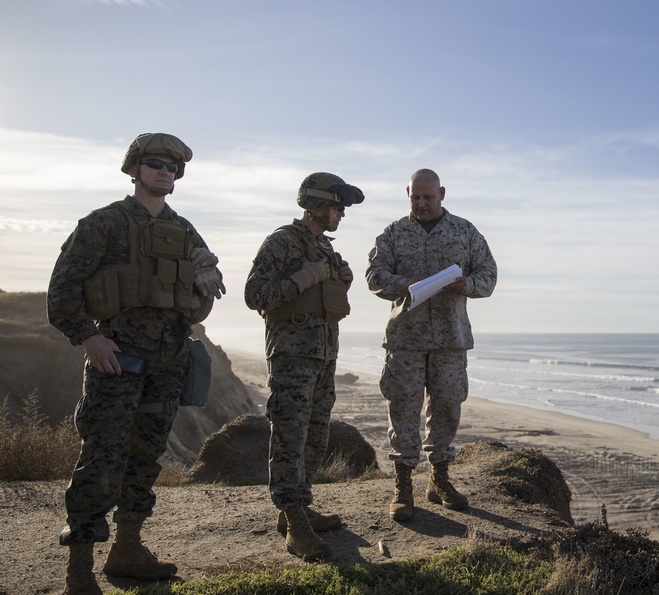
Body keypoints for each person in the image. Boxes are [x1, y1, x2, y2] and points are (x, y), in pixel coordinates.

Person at [47, 133, 225, 595]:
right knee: (101, 459)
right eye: (155, 163)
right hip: (117, 361)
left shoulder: (184, 231)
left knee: (145, 458)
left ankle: (127, 549)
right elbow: (62, 291)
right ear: (134, 168)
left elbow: (205, 283)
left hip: (167, 363)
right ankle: (80, 569)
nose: (165, 171)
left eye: (172, 166)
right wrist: (89, 338)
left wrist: (208, 276)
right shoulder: (103, 224)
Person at [244, 172, 364, 562]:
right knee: (290, 437)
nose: (341, 213)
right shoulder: (282, 242)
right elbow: (255, 294)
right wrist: (304, 276)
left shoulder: (323, 248)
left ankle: (299, 507)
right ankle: (295, 524)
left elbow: (336, 290)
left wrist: (335, 274)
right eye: (336, 206)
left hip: (323, 354)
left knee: (315, 435)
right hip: (292, 356)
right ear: (315, 205)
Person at [365, 168, 497, 522]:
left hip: (450, 340)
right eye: (415, 198)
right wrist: (405, 283)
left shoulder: (464, 232)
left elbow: (489, 274)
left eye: (428, 197)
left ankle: (439, 480)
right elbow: (374, 276)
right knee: (404, 410)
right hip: (405, 340)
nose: (422, 204)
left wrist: (466, 284)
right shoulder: (393, 234)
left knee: (447, 409)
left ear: (442, 193)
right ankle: (403, 486)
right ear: (408, 193)